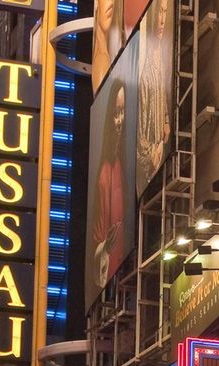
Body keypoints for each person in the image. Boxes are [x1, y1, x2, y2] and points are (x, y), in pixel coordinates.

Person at [92, 79, 129, 291]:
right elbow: (98, 236)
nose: (119, 120)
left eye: (123, 112)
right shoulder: (104, 172)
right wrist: (105, 248)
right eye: (116, 113)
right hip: (114, 279)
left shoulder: (123, 164)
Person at [136, 0, 173, 188]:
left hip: (162, 156)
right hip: (148, 168)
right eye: (159, 12)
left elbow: (165, 97)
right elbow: (139, 135)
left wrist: (166, 121)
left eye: (165, 12)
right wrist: (153, 152)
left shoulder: (165, 56)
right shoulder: (143, 70)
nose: (162, 20)